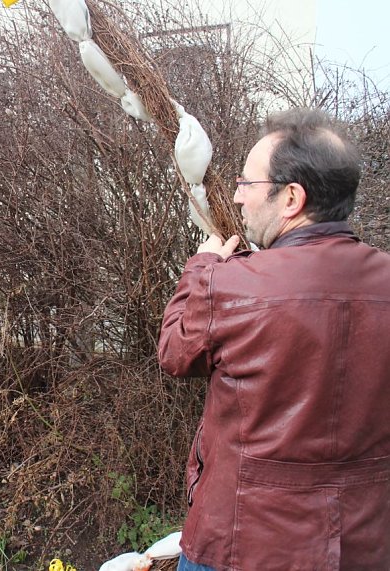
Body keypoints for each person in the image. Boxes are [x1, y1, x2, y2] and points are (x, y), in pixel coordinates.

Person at [158, 108, 390, 570]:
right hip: (363, 547)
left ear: (290, 198)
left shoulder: (232, 282)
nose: (239, 198)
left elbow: (173, 352)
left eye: (247, 184)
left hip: (241, 545)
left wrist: (202, 266)